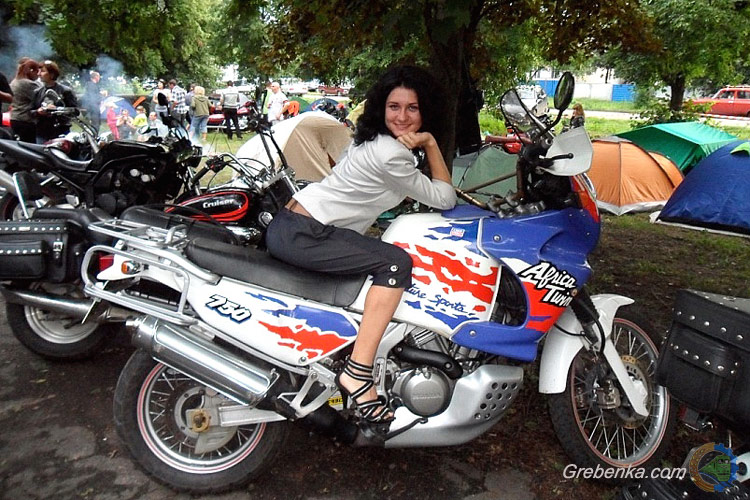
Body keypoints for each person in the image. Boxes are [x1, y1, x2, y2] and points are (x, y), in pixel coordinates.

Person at [264, 65, 456, 424]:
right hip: (307, 233)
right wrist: (430, 142)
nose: (402, 116)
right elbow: (445, 198)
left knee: (377, 254)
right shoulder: (391, 154)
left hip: (294, 224)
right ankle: (358, 372)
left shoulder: (368, 139)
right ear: (382, 108)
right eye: (394, 107)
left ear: (425, 110)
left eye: (412, 108)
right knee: (396, 263)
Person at [33, 60, 78, 143]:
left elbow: (75, 111)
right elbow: (30, 111)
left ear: (52, 74)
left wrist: (57, 109)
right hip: (42, 132)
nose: (39, 74)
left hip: (60, 132)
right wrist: (38, 111)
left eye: (42, 71)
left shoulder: (66, 91)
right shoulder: (37, 92)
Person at [9, 59, 42, 142]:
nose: (38, 75)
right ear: (32, 71)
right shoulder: (28, 84)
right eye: (37, 72)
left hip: (15, 118)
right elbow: (42, 95)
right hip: (26, 120)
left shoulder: (14, 81)